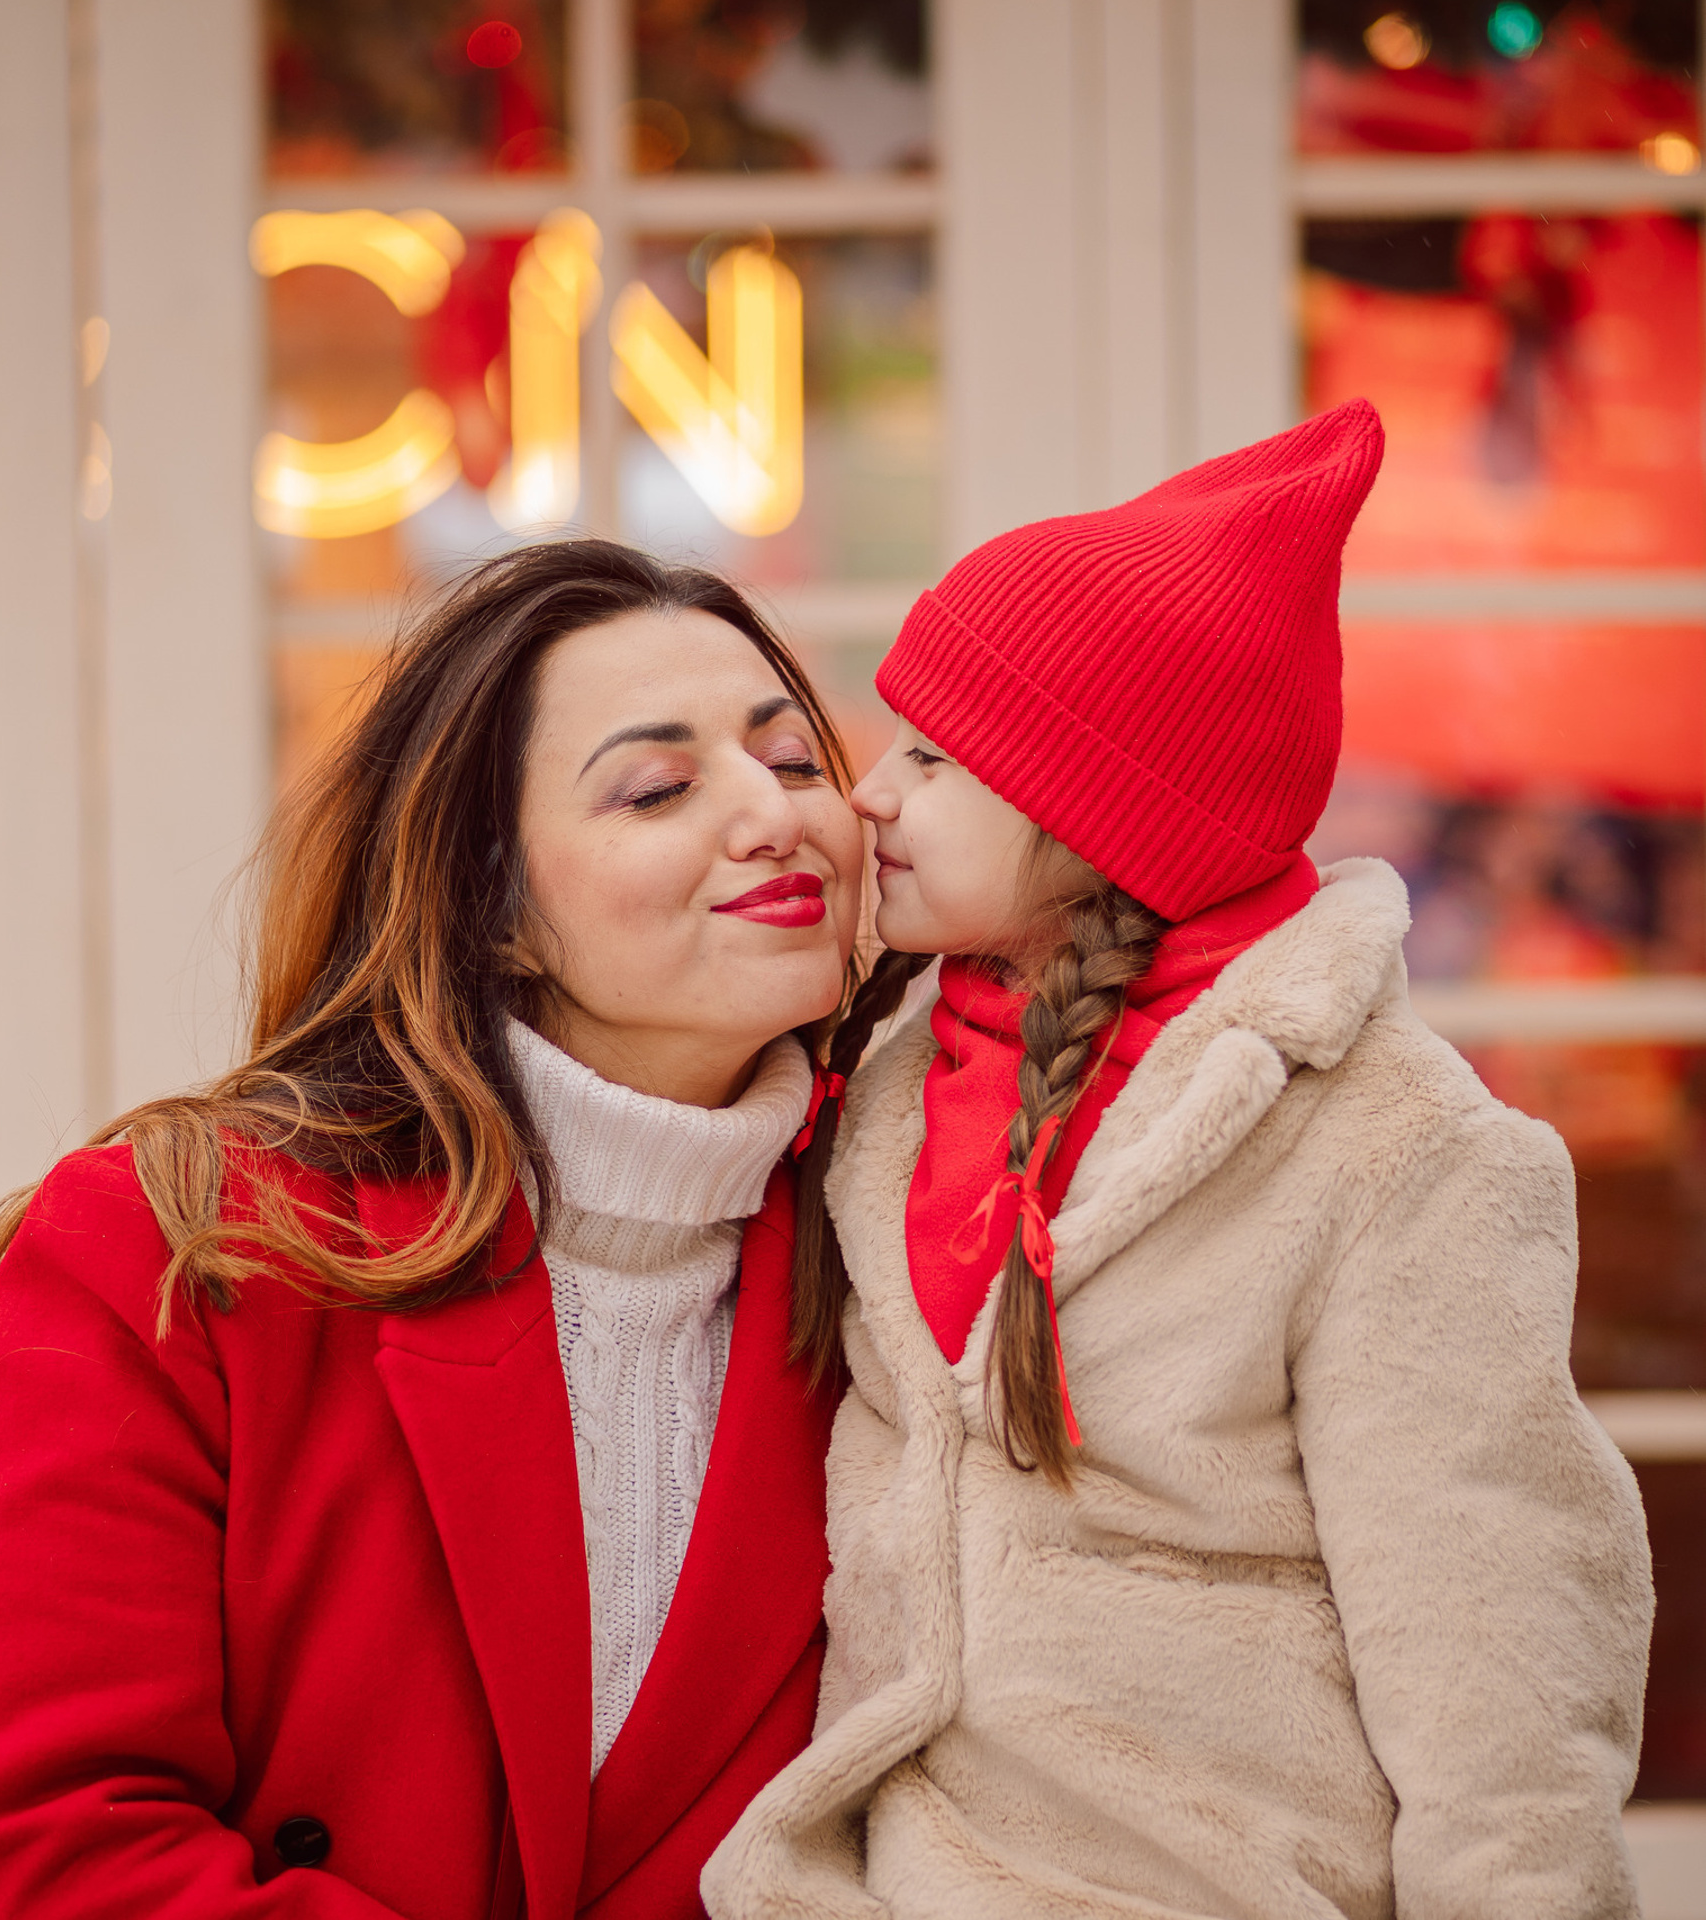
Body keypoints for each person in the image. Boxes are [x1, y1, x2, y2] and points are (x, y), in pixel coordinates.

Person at [704, 401, 1655, 1920]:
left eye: (938, 758)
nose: (871, 791)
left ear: (1091, 816)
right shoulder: (881, 1085)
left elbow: (1498, 1655)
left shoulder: (1391, 1152)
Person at [0, 540, 867, 1920]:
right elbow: (55, 1861)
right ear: (491, 906)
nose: (775, 815)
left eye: (795, 763)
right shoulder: (170, 1243)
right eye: (659, 786)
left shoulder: (903, 1262)